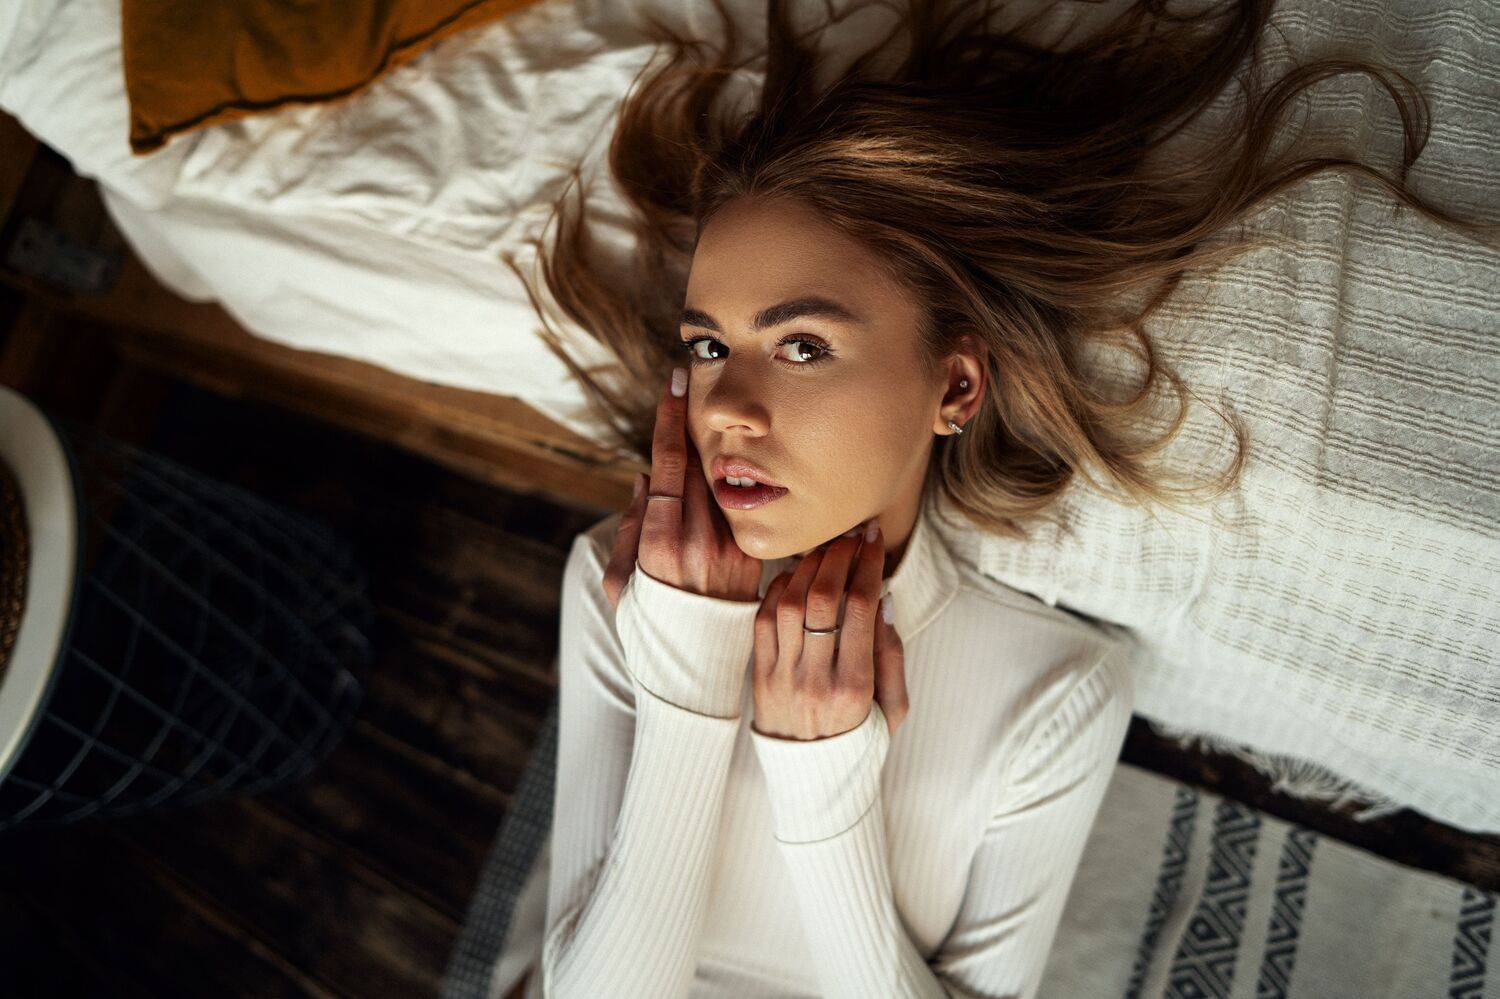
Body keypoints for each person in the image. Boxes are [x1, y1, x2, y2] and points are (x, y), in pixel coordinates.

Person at [501, 0, 1495, 995]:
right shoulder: (620, 587)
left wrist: (823, 782)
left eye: (802, 345)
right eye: (710, 345)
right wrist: (687, 681)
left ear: (956, 387)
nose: (725, 408)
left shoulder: (1057, 691)